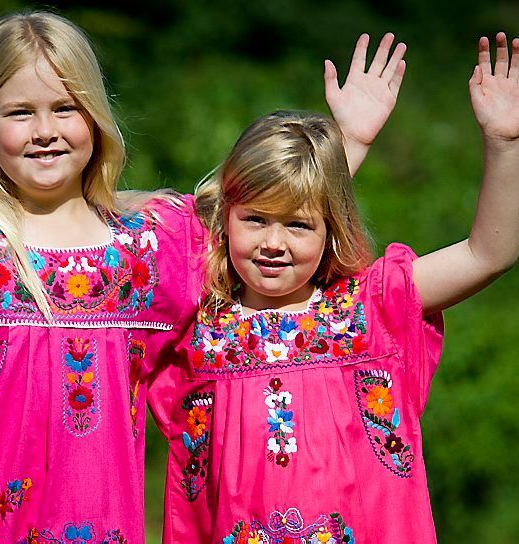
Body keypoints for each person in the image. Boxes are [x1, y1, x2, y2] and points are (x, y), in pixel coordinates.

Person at [0, 11, 405, 543]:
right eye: (20, 112)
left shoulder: (156, 245)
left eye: (65, 108)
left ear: (94, 117)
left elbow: (265, 219)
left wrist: (349, 143)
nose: (45, 131)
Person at [147, 33, 519, 543]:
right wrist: (345, 142)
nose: (273, 243)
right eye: (255, 219)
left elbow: (488, 254)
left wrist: (504, 145)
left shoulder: (369, 309)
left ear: (331, 231)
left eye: (298, 227)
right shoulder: (193, 319)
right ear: (225, 220)